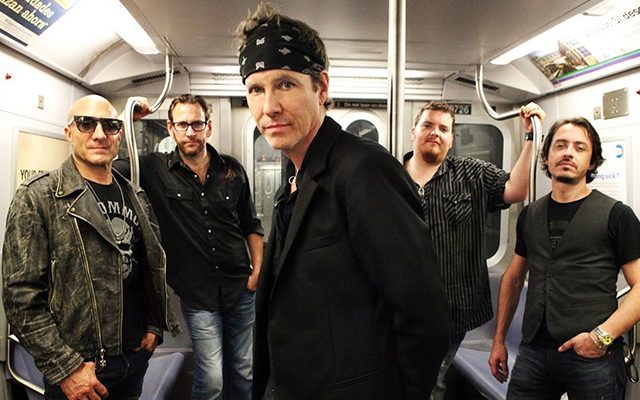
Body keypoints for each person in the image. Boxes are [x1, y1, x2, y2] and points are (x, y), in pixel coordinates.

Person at [234, 3, 450, 400]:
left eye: (285, 84)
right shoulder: (294, 179)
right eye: (255, 89)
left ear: (321, 87)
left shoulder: (363, 170)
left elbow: (425, 314)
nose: (268, 107)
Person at [2, 94, 180, 399]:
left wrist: (154, 325)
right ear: (69, 132)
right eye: (86, 123)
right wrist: (65, 367)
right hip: (80, 366)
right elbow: (20, 295)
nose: (99, 134)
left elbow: (148, 267)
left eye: (110, 125)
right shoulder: (38, 197)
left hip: (134, 357)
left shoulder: (135, 195)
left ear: (119, 135)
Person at [114, 94, 264, 400]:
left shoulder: (231, 169)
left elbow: (250, 223)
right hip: (198, 294)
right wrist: (127, 122)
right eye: (182, 125)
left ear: (209, 127)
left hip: (240, 288)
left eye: (197, 124)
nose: (190, 132)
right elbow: (105, 163)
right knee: (212, 379)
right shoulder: (154, 169)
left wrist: (257, 271)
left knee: (244, 371)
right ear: (171, 128)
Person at [489, 117, 640, 399]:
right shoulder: (530, 214)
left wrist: (601, 337)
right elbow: (513, 278)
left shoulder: (617, 215)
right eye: (560, 145)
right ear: (546, 157)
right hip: (533, 351)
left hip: (592, 356)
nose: (568, 152)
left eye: (579, 147)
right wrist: (499, 340)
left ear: (592, 162)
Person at [403, 100, 544, 399]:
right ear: (414, 132)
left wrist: (531, 137)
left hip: (453, 308)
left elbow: (515, 190)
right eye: (428, 125)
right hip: (401, 308)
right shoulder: (391, 177)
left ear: (451, 139)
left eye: (443, 129)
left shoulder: (470, 174)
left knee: (431, 382)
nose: (435, 133)